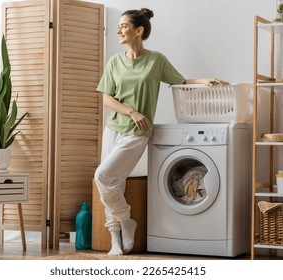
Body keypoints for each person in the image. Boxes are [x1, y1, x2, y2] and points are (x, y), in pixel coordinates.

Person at [94, 8, 227, 255]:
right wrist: (131, 111)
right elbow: (106, 98)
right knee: (113, 182)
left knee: (103, 177)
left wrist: (204, 80)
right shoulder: (115, 61)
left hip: (137, 133)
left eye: (124, 26)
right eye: (120, 26)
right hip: (113, 128)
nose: (118, 30)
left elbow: (180, 80)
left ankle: (126, 220)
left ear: (139, 30)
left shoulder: (156, 61)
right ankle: (115, 239)